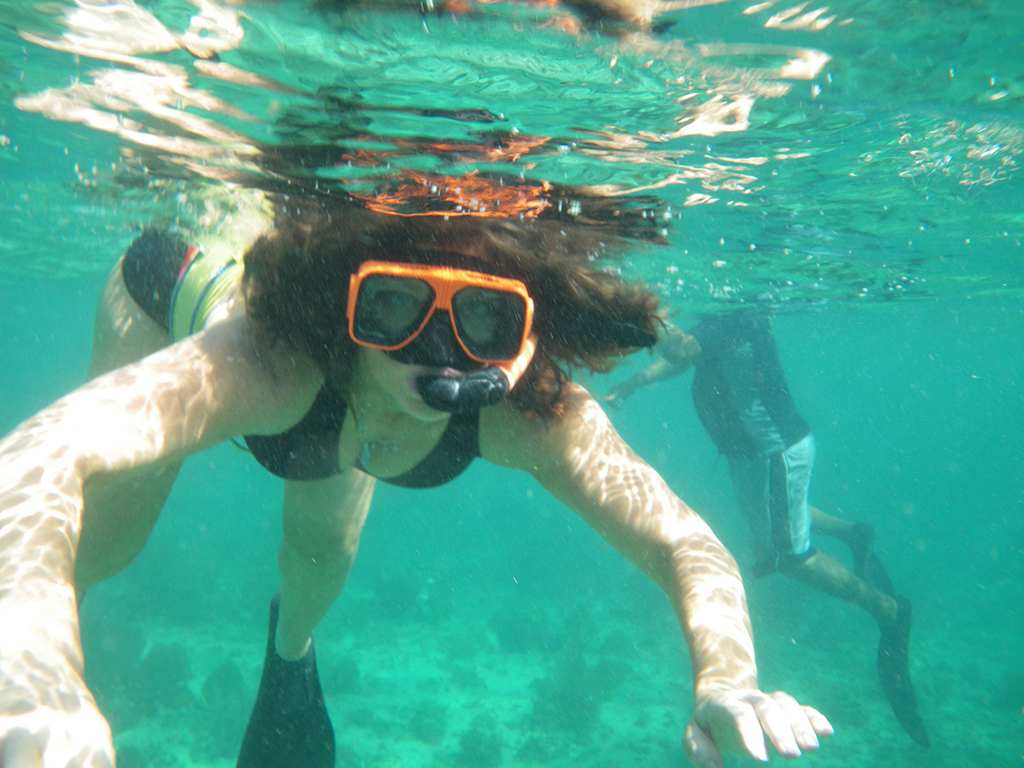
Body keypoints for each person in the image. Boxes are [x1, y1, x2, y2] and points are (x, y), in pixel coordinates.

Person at [0, 195, 833, 768]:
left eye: (481, 318)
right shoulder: (268, 360)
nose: (436, 353)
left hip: (337, 419)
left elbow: (682, 539)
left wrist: (728, 678)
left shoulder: (528, 410)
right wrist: (40, 672)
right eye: (395, 307)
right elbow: (36, 456)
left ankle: (290, 658)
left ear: (520, 337)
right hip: (162, 297)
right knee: (103, 548)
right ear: (348, 307)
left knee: (322, 555)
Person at [607, 312, 930, 747]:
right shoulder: (726, 321)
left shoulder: (736, 317)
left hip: (773, 449)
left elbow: (681, 350)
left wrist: (642, 311)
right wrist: (634, 382)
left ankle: (888, 611)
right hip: (749, 452)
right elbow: (687, 358)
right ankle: (852, 533)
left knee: (789, 556)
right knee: (770, 523)